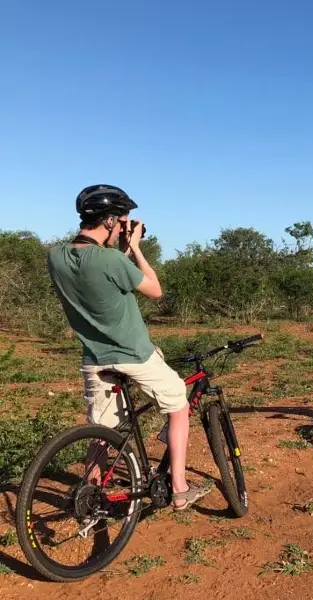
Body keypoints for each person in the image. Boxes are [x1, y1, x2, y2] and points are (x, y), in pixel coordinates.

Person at [47, 184, 210, 510]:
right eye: (121, 220)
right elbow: (154, 290)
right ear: (108, 221)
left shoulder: (56, 256)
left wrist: (119, 246)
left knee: (101, 429)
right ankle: (179, 488)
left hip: (95, 358)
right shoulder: (112, 259)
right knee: (178, 405)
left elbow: (97, 272)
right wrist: (135, 247)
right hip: (134, 354)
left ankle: (89, 491)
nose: (124, 225)